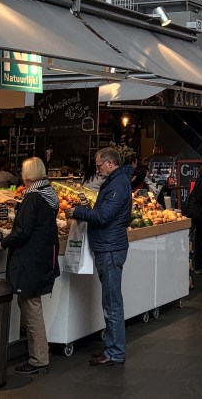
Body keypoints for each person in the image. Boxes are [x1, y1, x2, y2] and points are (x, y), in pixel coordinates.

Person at [71, 147, 131, 367]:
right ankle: (112, 348)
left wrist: (78, 212)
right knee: (110, 300)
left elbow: (104, 216)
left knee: (112, 302)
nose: (96, 170)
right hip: (109, 245)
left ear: (110, 163)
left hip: (110, 247)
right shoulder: (117, 181)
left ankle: (115, 352)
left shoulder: (117, 184)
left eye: (98, 165)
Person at [1, 157, 59, 374]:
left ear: (26, 175)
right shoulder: (48, 193)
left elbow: (23, 231)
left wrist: (4, 241)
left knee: (30, 306)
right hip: (43, 257)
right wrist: (19, 205)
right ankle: (40, 351)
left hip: (31, 260)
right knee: (31, 305)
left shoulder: (33, 197)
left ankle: (38, 358)